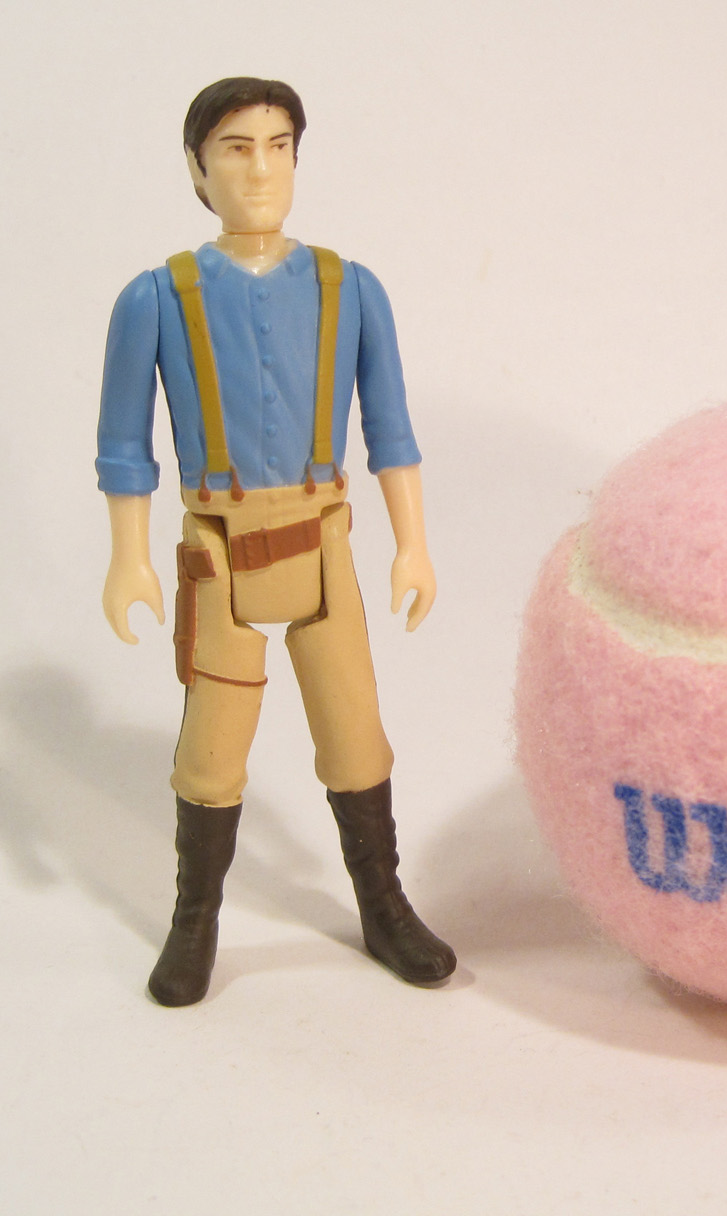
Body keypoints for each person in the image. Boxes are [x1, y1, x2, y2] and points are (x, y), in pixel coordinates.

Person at [97, 77, 455, 1006]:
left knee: (355, 733)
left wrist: (411, 543)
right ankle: (194, 921)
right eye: (235, 147)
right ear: (196, 169)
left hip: (322, 542)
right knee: (212, 750)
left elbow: (391, 431)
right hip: (219, 551)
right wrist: (129, 557)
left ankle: (383, 904)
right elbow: (125, 445)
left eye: (278, 145)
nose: (260, 168)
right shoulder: (155, 297)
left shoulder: (349, 288)